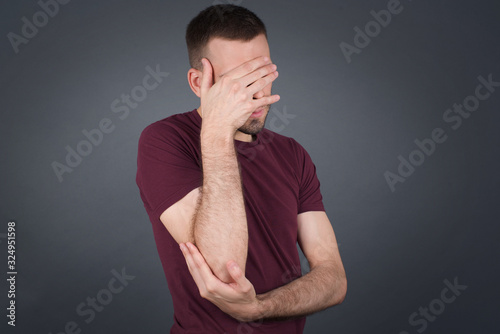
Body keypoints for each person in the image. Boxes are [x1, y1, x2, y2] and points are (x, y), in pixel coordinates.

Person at [136, 4, 347, 333]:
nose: (259, 93)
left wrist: (259, 308)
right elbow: (223, 267)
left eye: (264, 75)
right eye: (241, 81)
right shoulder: (164, 140)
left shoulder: (293, 153)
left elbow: (333, 279)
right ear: (198, 82)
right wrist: (218, 131)